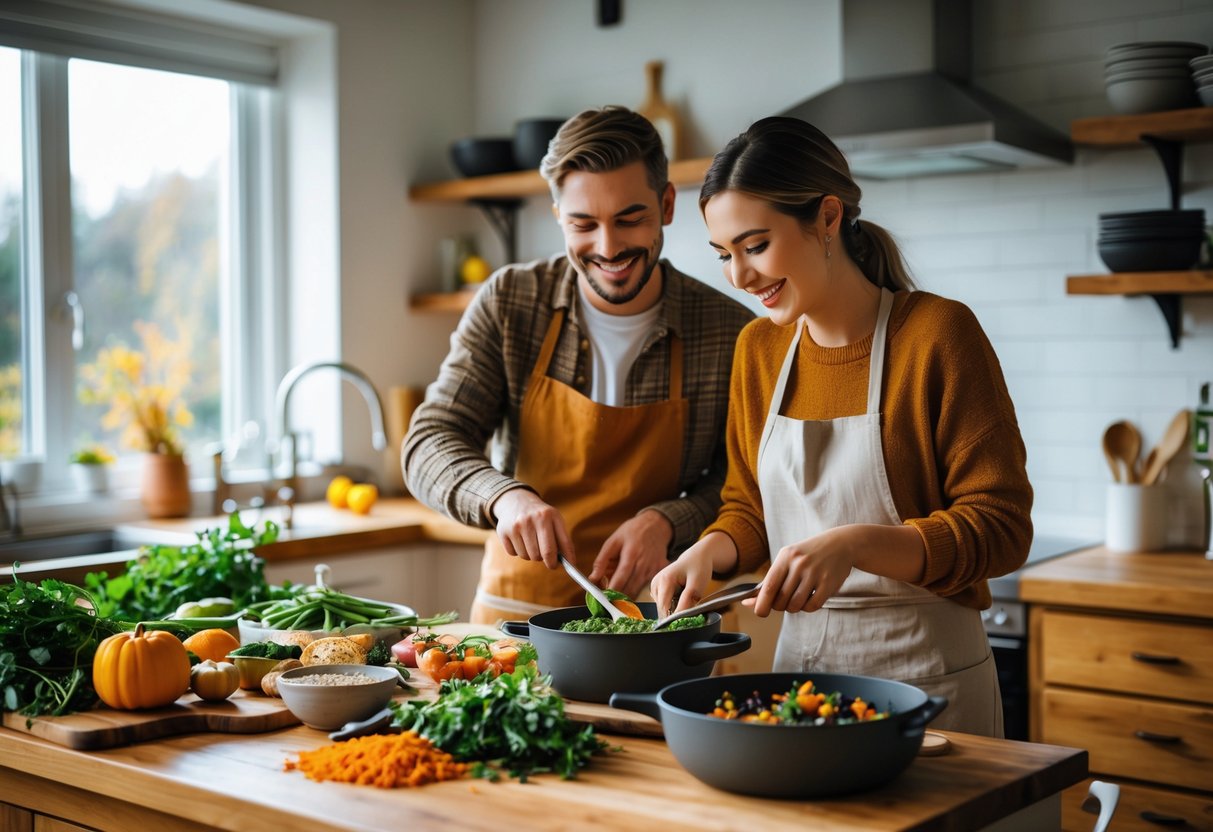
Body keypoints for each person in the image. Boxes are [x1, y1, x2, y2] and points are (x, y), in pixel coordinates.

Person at [651, 116, 1032, 736]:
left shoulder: (937, 334)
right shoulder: (760, 351)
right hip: (802, 679)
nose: (740, 277)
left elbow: (1003, 529)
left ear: (828, 217)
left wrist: (854, 544)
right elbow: (749, 508)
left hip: (930, 689)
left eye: (755, 245)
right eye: (724, 254)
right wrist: (705, 552)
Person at [404, 106, 754, 626]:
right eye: (583, 224)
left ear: (666, 204)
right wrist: (504, 497)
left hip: (657, 624)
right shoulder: (510, 301)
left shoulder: (729, 330)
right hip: (514, 623)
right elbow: (429, 439)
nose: (608, 247)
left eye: (630, 218)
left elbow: (743, 483)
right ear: (557, 217)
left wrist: (669, 520)